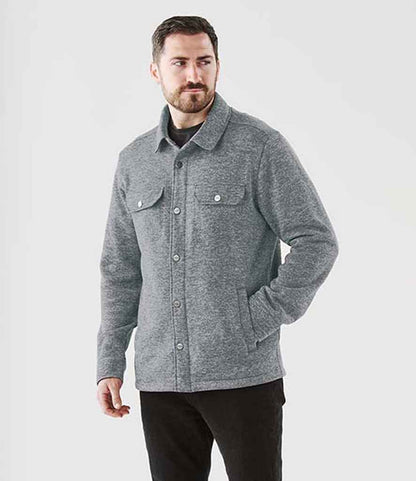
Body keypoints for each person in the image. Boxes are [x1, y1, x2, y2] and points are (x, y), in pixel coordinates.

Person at [96, 15, 339, 481]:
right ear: (155, 70)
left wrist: (256, 319)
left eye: (204, 62)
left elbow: (316, 240)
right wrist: (110, 361)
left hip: (242, 374)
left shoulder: (260, 147)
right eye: (180, 62)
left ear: (217, 66)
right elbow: (120, 268)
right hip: (160, 378)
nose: (194, 74)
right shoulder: (134, 161)